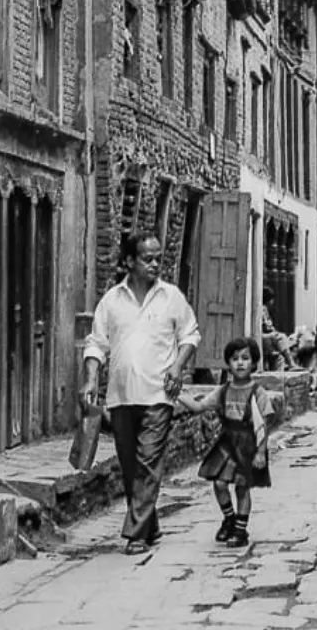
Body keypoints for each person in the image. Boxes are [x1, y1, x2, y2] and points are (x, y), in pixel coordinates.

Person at [80, 233, 201, 555]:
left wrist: (177, 367)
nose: (155, 264)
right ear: (130, 261)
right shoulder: (112, 301)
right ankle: (151, 525)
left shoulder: (171, 296)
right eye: (147, 258)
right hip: (120, 396)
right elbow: (97, 343)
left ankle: (135, 533)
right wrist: (92, 378)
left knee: (148, 461)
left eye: (158, 257)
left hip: (158, 394)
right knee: (130, 465)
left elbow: (190, 334)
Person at [178, 336, 273, 547]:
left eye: (245, 358)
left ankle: (241, 529)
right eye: (235, 358)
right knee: (220, 483)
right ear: (228, 364)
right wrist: (177, 394)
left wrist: (260, 452)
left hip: (248, 445)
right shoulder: (223, 390)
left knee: (242, 487)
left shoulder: (258, 393)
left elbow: (263, 426)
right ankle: (229, 518)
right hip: (228, 442)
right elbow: (198, 407)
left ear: (254, 363)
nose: (240, 363)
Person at [261, 287, 295, 370]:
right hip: (262, 335)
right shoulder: (263, 309)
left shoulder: (265, 309)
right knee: (281, 336)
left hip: (265, 336)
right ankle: (291, 363)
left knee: (279, 356)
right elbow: (268, 327)